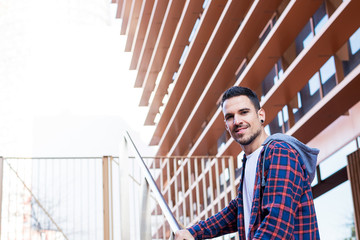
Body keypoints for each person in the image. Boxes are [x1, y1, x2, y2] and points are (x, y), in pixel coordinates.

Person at [174, 86, 320, 239]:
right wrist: (193, 232)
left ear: (260, 115)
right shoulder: (251, 160)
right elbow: (237, 210)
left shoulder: (280, 152)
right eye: (230, 117)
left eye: (244, 112)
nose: (237, 121)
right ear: (226, 126)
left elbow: (276, 226)